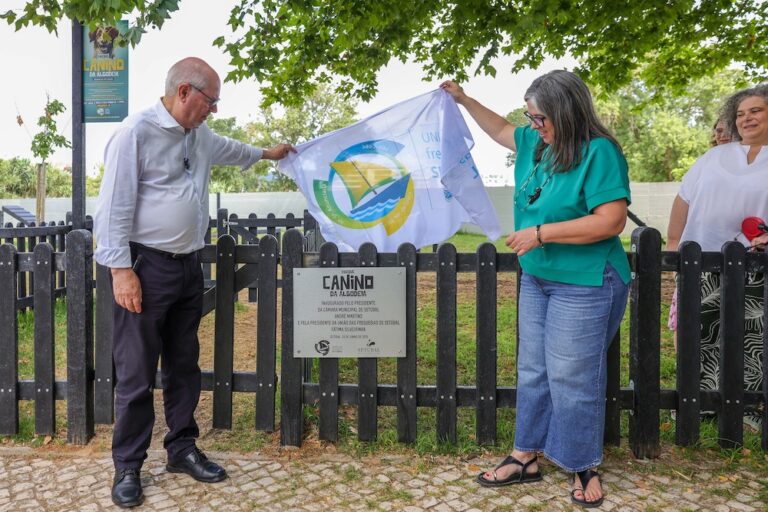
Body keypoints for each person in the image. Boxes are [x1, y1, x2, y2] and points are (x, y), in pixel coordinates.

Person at [93, 57, 295, 508]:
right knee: (137, 371)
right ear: (184, 92)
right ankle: (128, 465)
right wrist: (121, 270)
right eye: (211, 101)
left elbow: (233, 149)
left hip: (188, 268)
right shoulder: (135, 133)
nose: (213, 111)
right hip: (144, 267)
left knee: (184, 365)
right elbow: (113, 208)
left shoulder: (199, 136)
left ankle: (181, 448)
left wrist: (268, 154)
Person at [442, 71, 631, 508]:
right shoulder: (533, 142)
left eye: (540, 117)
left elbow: (610, 221)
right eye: (529, 116)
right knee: (533, 370)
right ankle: (525, 456)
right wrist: (465, 100)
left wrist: (542, 233)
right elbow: (499, 129)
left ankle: (583, 463)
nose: (533, 125)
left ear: (566, 112)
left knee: (572, 376)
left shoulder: (599, 152)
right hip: (540, 277)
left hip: (586, 280)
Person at [666, 84, 768, 431]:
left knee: (750, 336)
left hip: (756, 266)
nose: (746, 118)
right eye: (740, 113)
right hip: (699, 260)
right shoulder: (713, 157)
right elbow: (683, 199)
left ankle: (750, 411)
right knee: (699, 333)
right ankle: (700, 406)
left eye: (755, 110)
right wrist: (674, 242)